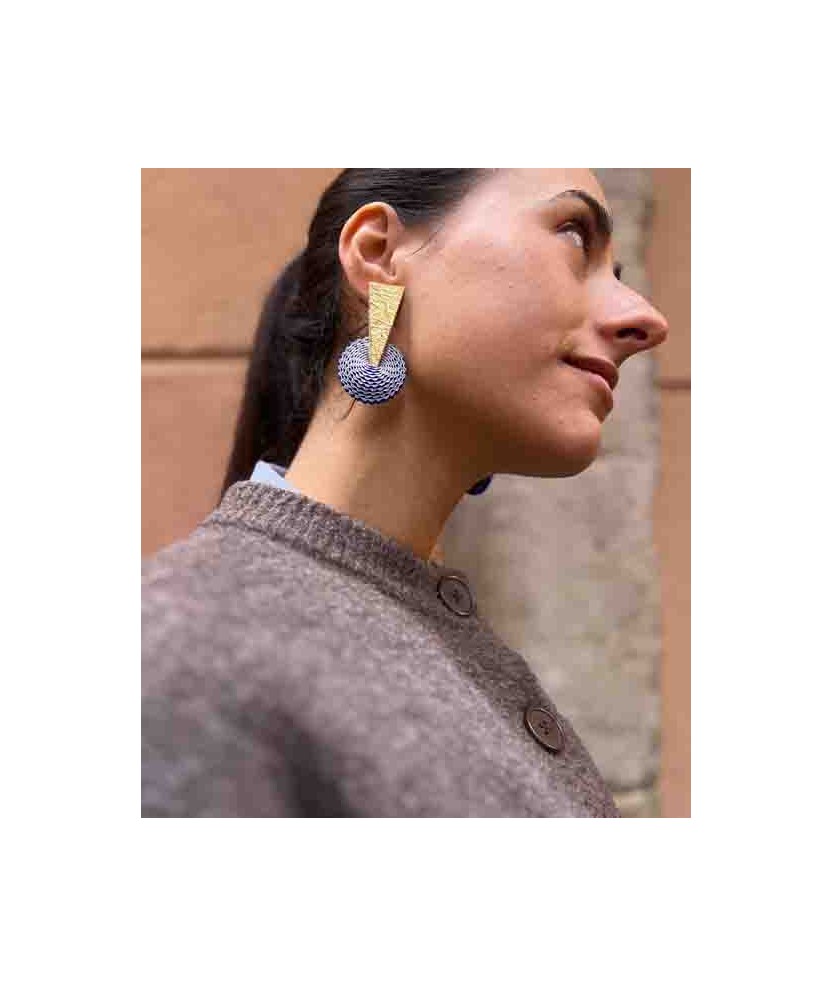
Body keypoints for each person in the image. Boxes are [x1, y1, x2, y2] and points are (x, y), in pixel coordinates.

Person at [142, 169, 669, 817]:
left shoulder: (422, 640)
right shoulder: (189, 645)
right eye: (575, 237)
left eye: (616, 274)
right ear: (378, 256)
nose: (645, 319)